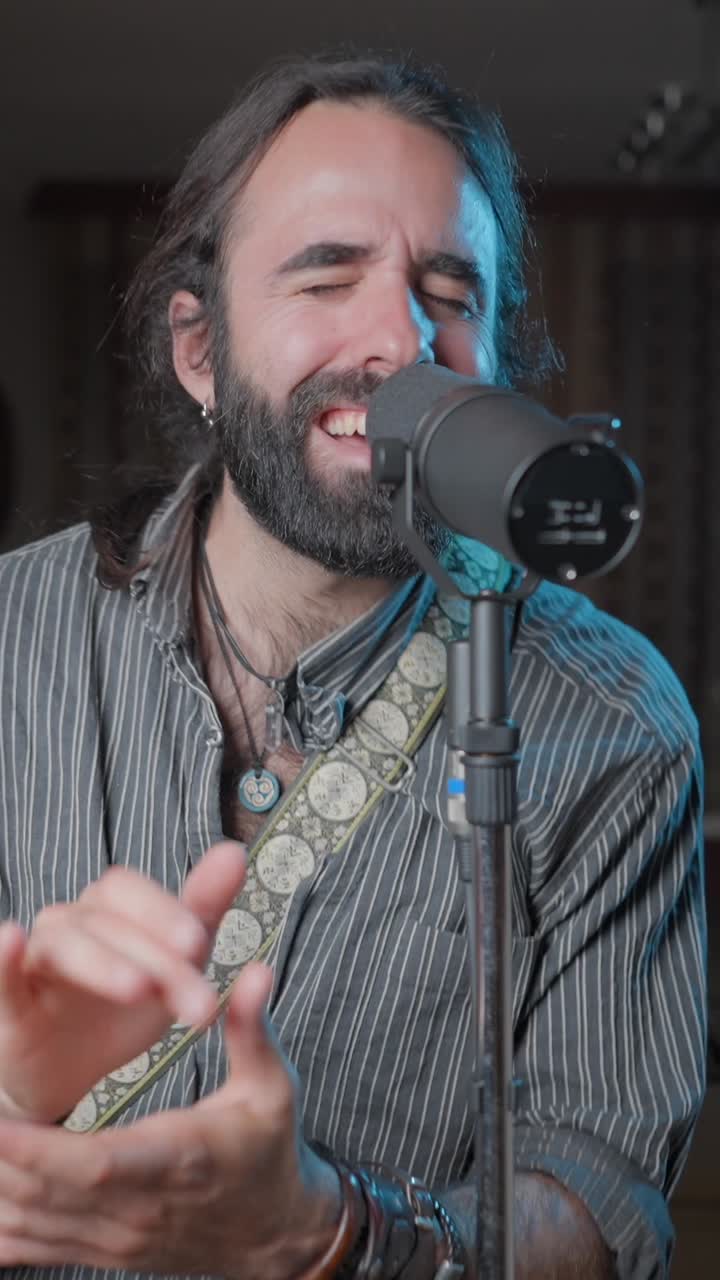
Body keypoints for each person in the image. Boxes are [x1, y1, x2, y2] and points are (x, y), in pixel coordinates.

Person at [0, 52, 706, 1280]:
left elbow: (603, 1202)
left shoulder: (617, 720)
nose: (399, 339)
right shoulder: (9, 635)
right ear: (199, 353)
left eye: (451, 289)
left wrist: (324, 1230)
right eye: (327, 275)